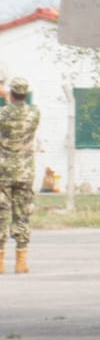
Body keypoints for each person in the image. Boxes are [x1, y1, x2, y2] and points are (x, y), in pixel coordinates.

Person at [0, 77, 41, 274]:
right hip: (25, 171)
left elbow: (9, 112)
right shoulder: (34, 113)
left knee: (1, 213)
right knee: (22, 214)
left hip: (3, 170)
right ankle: (21, 260)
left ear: (11, 92)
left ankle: (0, 260)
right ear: (25, 93)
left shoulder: (3, 114)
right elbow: (21, 110)